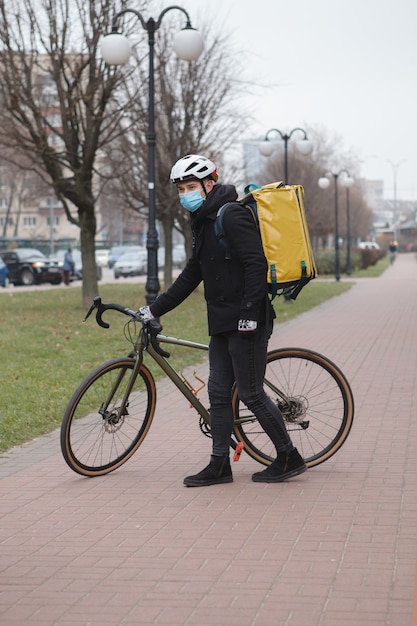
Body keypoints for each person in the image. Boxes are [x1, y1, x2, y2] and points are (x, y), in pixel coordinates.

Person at [137, 154, 306, 487]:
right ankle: (219, 465)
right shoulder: (202, 222)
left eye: (190, 187)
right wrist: (155, 309)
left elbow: (256, 265)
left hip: (248, 320)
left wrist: (247, 316)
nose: (185, 193)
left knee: (251, 393)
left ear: (209, 185)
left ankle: (288, 456)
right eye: (181, 188)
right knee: (217, 393)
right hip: (222, 322)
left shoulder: (231, 216)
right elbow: (191, 276)